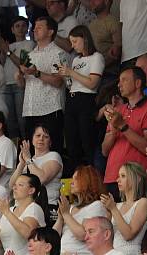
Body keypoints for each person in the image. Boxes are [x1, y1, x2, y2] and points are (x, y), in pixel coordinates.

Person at [101, 66, 147, 200]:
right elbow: (104, 150)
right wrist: (115, 129)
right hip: (112, 176)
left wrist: (122, 126)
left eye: (124, 80)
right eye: (119, 81)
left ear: (138, 83)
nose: (119, 84)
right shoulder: (118, 110)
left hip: (136, 178)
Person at [19, 16, 67, 150]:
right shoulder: (29, 55)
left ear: (51, 31)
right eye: (34, 27)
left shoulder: (59, 53)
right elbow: (23, 85)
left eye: (39, 27)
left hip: (50, 109)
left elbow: (58, 81)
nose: (34, 30)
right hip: (30, 109)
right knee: (32, 153)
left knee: (52, 151)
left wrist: (36, 73)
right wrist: (19, 76)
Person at [59, 25, 104, 166]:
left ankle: (91, 175)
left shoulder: (97, 57)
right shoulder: (76, 60)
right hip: (72, 99)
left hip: (86, 100)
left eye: (75, 41)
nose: (73, 46)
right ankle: (75, 176)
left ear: (84, 39)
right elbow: (72, 83)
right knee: (72, 142)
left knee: (87, 141)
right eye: (71, 42)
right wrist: (64, 76)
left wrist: (71, 72)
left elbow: (92, 83)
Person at [0, 174, 47, 255]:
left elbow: (28, 233)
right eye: (15, 185)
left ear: (31, 190)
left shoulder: (34, 208)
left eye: (20, 185)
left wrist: (6, 212)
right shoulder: (10, 210)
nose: (14, 187)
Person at [55, 165, 108, 255]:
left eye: (76, 179)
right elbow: (54, 237)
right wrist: (60, 218)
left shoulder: (97, 205)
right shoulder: (70, 208)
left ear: (87, 181)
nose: (71, 182)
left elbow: (84, 235)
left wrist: (66, 215)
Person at [9, 126, 63, 215]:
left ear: (50, 142)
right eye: (38, 135)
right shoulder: (28, 159)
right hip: (21, 207)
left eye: (46, 137)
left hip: (46, 207)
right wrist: (21, 164)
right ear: (32, 140)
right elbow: (12, 185)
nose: (41, 138)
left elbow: (41, 179)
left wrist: (28, 160)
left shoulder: (54, 156)